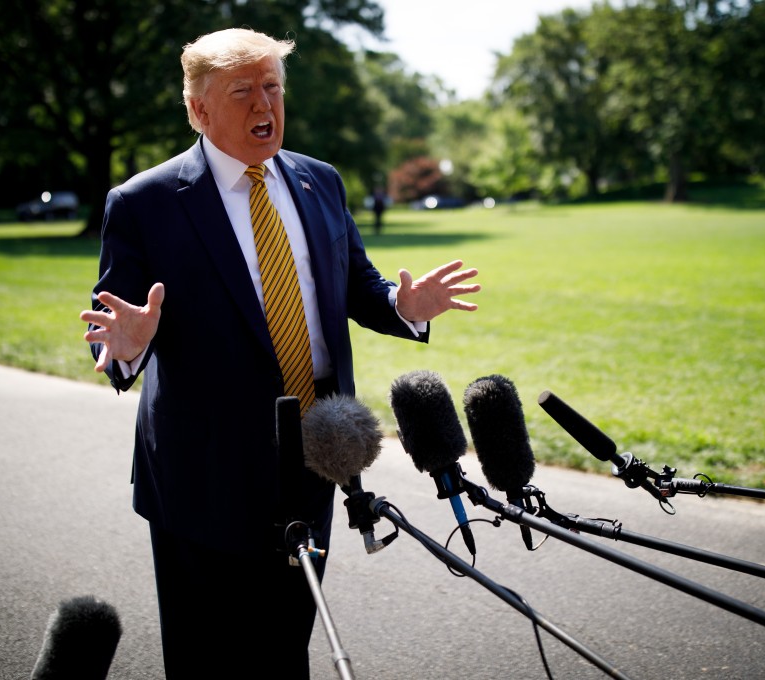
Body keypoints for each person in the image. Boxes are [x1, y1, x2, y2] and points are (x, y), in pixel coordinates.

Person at [78, 27, 480, 679]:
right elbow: (118, 325)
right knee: (209, 658)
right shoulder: (144, 204)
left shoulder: (320, 182)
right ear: (199, 109)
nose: (265, 104)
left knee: (285, 648)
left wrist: (404, 307)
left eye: (273, 87)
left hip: (313, 458)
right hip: (201, 475)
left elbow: (358, 285)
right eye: (243, 91)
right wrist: (130, 347)